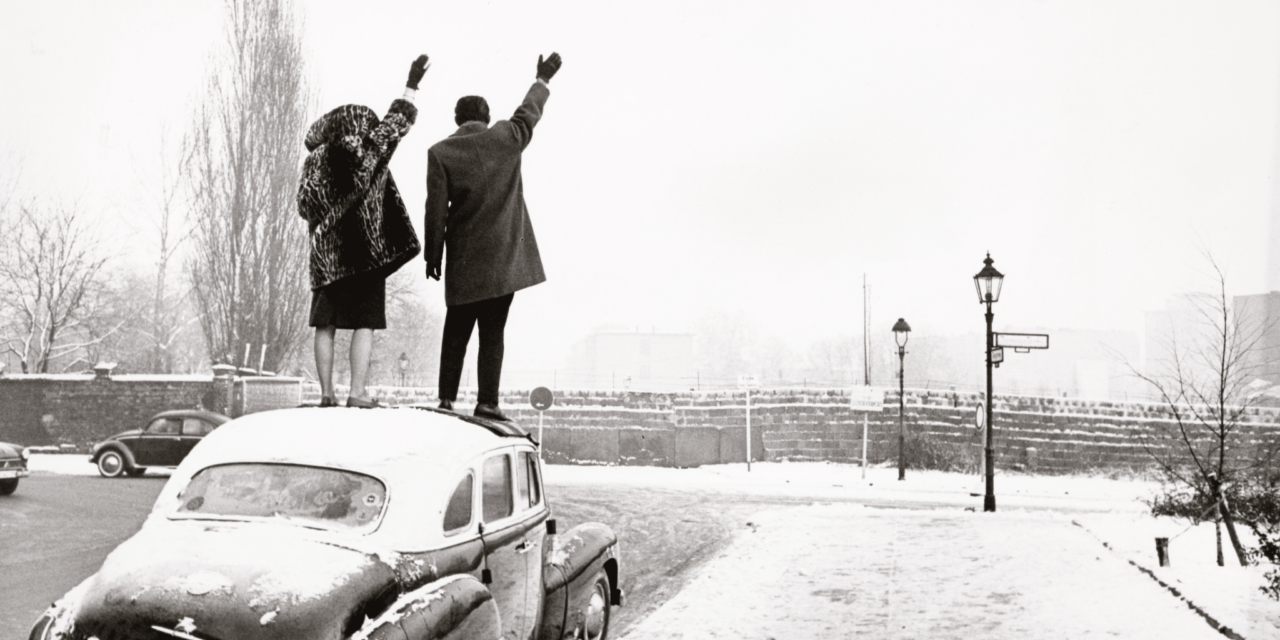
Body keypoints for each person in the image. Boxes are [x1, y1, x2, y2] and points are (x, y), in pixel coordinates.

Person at [424, 52, 563, 421]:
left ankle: (445, 400)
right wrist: (542, 79)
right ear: (486, 118)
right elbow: (528, 112)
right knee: (493, 331)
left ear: (457, 119)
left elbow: (435, 210)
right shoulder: (506, 137)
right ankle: (488, 402)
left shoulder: (440, 152)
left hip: (464, 260)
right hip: (503, 259)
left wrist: (432, 257)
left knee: (456, 330)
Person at [299, 55, 429, 408]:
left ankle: (326, 394)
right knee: (364, 324)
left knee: (324, 325)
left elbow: (303, 206)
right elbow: (398, 121)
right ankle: (357, 393)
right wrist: (411, 84)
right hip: (365, 253)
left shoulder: (315, 159)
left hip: (327, 258)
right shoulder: (371, 151)